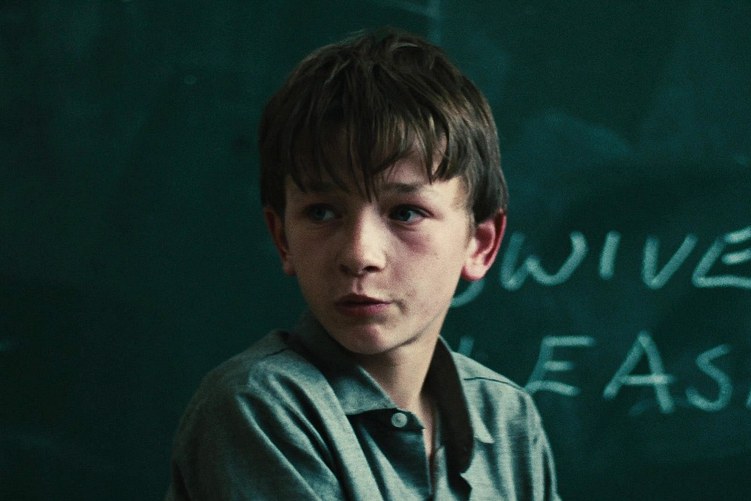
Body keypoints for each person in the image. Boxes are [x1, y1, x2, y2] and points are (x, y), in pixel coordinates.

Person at [165, 29, 560, 500]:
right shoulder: (259, 406)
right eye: (322, 212)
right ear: (283, 238)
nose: (359, 255)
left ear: (479, 244)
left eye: (406, 213)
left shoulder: (510, 418)